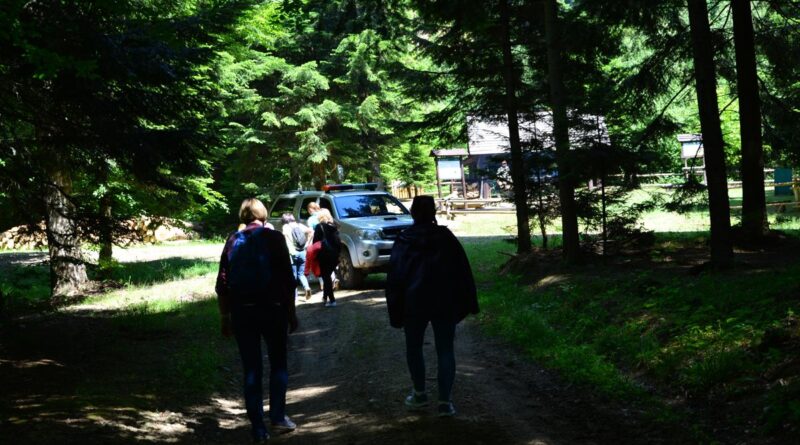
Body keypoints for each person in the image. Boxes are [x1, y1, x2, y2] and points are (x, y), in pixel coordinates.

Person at [385, 195, 478, 417]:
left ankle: (419, 394)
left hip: (413, 303)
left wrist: (395, 308)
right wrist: (468, 302)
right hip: (444, 301)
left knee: (413, 347)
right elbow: (463, 272)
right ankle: (445, 402)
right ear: (434, 212)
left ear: (413, 213)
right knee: (445, 349)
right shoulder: (446, 238)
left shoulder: (404, 239)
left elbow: (395, 277)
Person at [216, 198, 299, 442]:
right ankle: (278, 418)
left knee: (251, 368)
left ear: (243, 215)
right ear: (263, 214)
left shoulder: (233, 239)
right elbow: (287, 279)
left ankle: (258, 429)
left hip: (243, 311)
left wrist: (225, 316)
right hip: (273, 309)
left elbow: (223, 283)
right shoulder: (275, 238)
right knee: (278, 364)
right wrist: (291, 313)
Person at [312, 208, 341, 307]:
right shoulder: (334, 226)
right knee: (327, 276)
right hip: (334, 255)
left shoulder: (319, 227)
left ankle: (332, 300)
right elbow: (338, 241)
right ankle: (325, 297)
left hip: (324, 255)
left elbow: (315, 243)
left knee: (326, 277)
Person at [280, 213, 313, 300]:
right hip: (302, 252)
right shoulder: (299, 225)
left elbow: (284, 240)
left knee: (293, 275)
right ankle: (307, 287)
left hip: (292, 253)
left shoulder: (285, 227)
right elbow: (311, 231)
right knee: (301, 274)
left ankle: (295, 296)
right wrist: (307, 243)